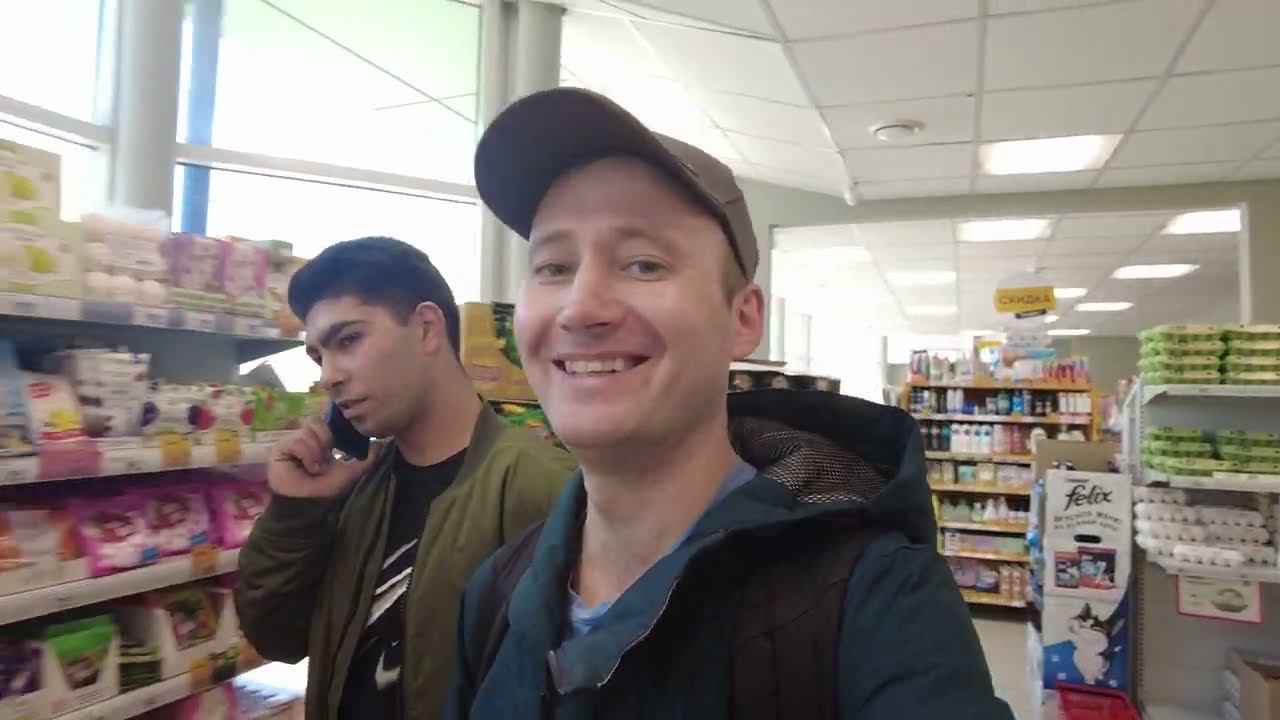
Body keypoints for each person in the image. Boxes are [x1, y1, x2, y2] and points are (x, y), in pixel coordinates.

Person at [447, 89, 1014, 720]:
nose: (580, 307)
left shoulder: (880, 600)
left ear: (743, 318)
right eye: (553, 267)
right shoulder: (497, 594)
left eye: (643, 264)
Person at [235, 237, 575, 720]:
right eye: (317, 356)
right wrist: (294, 514)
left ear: (427, 328)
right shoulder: (357, 490)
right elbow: (277, 638)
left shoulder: (543, 489)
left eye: (348, 340)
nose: (329, 376)